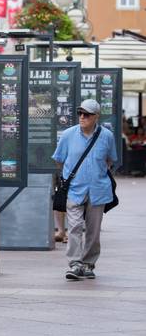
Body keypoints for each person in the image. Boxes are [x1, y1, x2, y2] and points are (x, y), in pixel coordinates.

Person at [52, 99, 118, 281]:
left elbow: (111, 160)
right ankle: (75, 263)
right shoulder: (67, 135)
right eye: (80, 113)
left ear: (96, 117)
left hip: (98, 190)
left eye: (87, 114)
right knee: (74, 226)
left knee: (93, 231)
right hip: (74, 189)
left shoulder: (107, 136)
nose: (82, 117)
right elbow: (59, 159)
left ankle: (89, 263)